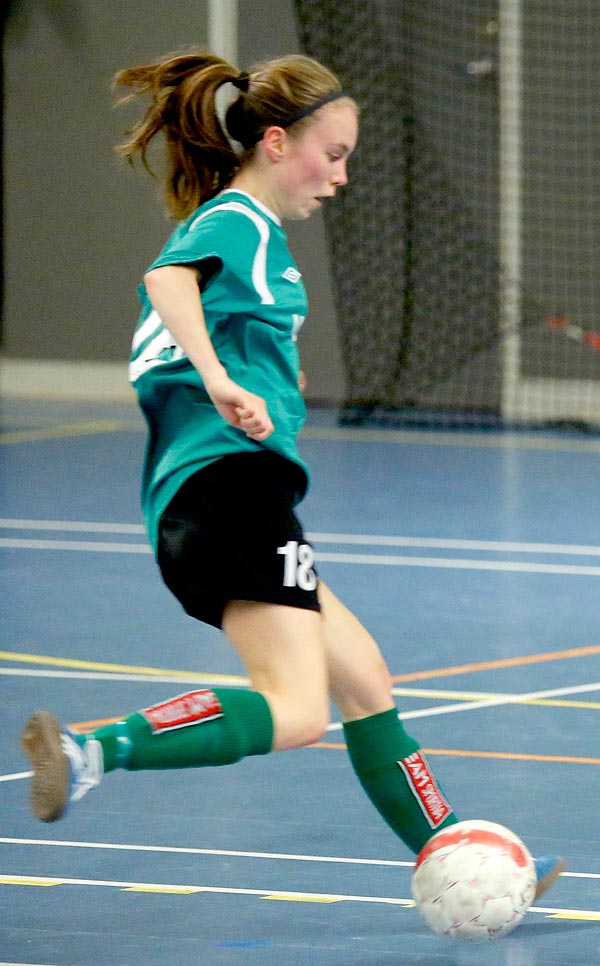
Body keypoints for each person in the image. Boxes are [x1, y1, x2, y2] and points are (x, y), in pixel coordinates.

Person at [19, 49, 564, 899]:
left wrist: (263, 377)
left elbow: (191, 333)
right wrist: (220, 377)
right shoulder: (236, 220)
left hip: (225, 494)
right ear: (277, 143)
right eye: (333, 154)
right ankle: (94, 753)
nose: (340, 176)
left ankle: (459, 858)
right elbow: (165, 282)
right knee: (298, 710)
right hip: (229, 491)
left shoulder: (257, 242)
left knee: (364, 676)